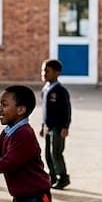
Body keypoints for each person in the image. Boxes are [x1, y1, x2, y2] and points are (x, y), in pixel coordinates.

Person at [40, 59, 72, 190]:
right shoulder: (46, 89)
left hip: (58, 127)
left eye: (47, 71)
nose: (44, 73)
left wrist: (66, 126)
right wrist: (43, 126)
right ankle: (52, 176)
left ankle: (62, 177)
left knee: (56, 153)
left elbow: (66, 110)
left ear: (57, 73)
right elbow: (44, 110)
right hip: (48, 127)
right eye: (43, 70)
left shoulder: (60, 90)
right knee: (47, 153)